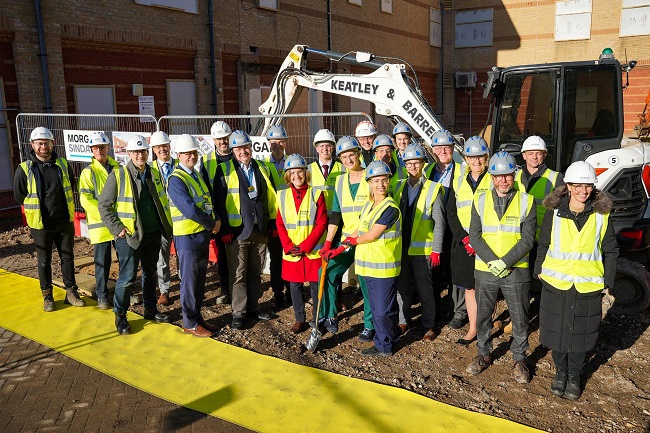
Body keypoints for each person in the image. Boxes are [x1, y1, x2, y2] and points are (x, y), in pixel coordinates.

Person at [535, 161, 618, 400]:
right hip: (556, 282)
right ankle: (561, 372)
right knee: (558, 331)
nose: (583, 191)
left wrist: (607, 279)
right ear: (568, 186)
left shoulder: (602, 215)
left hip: (587, 284)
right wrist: (539, 269)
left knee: (581, 334)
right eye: (578, 185)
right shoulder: (554, 212)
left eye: (588, 186)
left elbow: (611, 249)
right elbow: (544, 243)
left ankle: (575, 374)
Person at [466, 151, 536, 384]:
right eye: (498, 176)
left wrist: (505, 262)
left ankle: (519, 358)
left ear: (514, 175)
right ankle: (483, 354)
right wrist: (491, 261)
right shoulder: (480, 199)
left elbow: (528, 240)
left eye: (507, 175)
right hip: (486, 270)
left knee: (519, 317)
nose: (503, 180)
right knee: (484, 316)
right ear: (492, 177)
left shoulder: (527, 201)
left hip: (515, 271)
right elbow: (474, 236)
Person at [98, 134, 172, 335]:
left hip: (153, 233)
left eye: (143, 151)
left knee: (150, 273)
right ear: (129, 153)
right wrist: (117, 229)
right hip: (129, 236)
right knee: (127, 277)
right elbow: (104, 205)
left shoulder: (154, 173)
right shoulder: (119, 174)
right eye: (136, 152)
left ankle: (150, 309)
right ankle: (120, 316)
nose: (140, 155)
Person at [14, 126, 85, 311]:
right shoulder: (24, 169)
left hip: (63, 221)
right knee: (44, 261)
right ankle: (47, 297)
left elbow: (71, 184)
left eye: (46, 142)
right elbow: (19, 195)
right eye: (39, 143)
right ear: (32, 145)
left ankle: (71, 293)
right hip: (41, 224)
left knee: (67, 258)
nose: (43, 146)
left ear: (52, 143)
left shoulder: (62, 164)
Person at [336, 160, 402, 357]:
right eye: (376, 181)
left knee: (383, 311)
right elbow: (360, 228)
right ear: (369, 183)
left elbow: (372, 235)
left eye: (384, 180)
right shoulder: (369, 205)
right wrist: (341, 245)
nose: (381, 184)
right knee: (375, 309)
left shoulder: (390, 208)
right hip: (367, 267)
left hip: (383, 268)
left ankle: (390, 339)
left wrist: (353, 241)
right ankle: (382, 343)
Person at [213, 130, 276, 330]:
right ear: (232, 151)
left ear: (251, 148)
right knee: (238, 273)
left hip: (260, 229)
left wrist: (272, 223)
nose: (243, 151)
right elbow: (218, 203)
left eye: (245, 147)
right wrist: (224, 230)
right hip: (237, 231)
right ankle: (238, 313)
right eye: (238, 148)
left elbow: (271, 196)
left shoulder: (263, 167)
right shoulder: (224, 170)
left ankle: (253, 308)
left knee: (256, 271)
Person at [167, 135, 222, 338]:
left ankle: (197, 318)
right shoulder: (176, 180)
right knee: (189, 281)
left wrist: (214, 220)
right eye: (187, 153)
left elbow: (205, 202)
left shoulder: (195, 175)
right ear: (179, 155)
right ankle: (189, 322)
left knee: (199, 280)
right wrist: (212, 223)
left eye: (194, 152)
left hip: (200, 236)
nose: (191, 156)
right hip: (187, 238)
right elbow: (190, 210)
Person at [319, 136, 372, 338]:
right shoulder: (340, 180)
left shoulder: (370, 177)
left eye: (352, 155)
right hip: (345, 241)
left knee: (366, 283)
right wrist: (327, 243)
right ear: (340, 159)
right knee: (326, 272)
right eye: (344, 156)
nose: (349, 160)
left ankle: (369, 324)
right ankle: (330, 316)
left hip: (367, 241)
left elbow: (373, 215)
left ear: (358, 154)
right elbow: (336, 215)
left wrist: (349, 241)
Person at [392, 143, 444, 341]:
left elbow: (439, 222)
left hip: (423, 250)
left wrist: (436, 250)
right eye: (409, 163)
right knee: (402, 288)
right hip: (401, 247)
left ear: (423, 163)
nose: (413, 166)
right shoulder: (397, 186)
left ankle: (429, 325)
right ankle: (403, 320)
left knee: (425, 289)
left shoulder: (433, 188)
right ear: (405, 164)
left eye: (417, 162)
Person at [446, 136, 492, 342]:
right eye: (471, 157)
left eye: (480, 157)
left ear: (486, 157)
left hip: (488, 242)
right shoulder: (458, 182)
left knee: (488, 287)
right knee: (470, 287)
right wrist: (465, 239)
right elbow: (451, 213)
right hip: (465, 245)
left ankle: (486, 326)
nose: (476, 161)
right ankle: (473, 328)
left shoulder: (494, 179)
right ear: (465, 158)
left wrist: (479, 241)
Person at [276, 154, 328, 333]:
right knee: (294, 286)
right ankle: (300, 318)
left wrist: (306, 246)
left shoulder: (317, 193)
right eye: (292, 173)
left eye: (300, 172)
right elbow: (280, 223)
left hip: (312, 250)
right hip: (291, 250)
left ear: (306, 173)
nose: (296, 176)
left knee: (315, 286)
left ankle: (317, 318)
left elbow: (322, 223)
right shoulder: (281, 195)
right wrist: (288, 246)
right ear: (287, 176)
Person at [514, 135, 564, 304]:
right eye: (530, 153)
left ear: (544, 155)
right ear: (524, 155)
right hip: (518, 238)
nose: (534, 157)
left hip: (543, 239)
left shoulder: (555, 178)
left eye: (538, 153)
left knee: (541, 280)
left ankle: (543, 317)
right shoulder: (514, 177)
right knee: (520, 281)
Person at [425, 130, 465, 319]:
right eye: (438, 148)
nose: (442, 151)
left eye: (446, 148)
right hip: (432, 228)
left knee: (455, 270)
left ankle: (457, 310)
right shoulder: (427, 171)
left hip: (455, 228)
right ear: (433, 150)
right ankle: (437, 308)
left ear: (452, 149)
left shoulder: (462, 171)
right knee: (435, 271)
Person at [78, 132, 119, 310]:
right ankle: (102, 296)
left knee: (125, 260)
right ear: (91, 150)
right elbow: (85, 199)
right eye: (95, 148)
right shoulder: (88, 172)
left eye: (102, 147)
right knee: (102, 262)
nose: (99, 151)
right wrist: (106, 214)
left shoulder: (118, 168)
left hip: (119, 223)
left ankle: (125, 292)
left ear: (108, 148)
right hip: (101, 224)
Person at [262, 125, 291, 309]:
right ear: (268, 144)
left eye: (280, 141)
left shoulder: (292, 163)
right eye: (273, 142)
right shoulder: (263, 165)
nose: (277, 145)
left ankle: (292, 290)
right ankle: (278, 293)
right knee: (276, 259)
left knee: (290, 256)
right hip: (274, 221)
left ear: (285, 142)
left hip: (292, 220)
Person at [149, 130, 177, 307]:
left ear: (169, 146)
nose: (162, 150)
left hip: (181, 219)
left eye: (164, 146)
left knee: (183, 256)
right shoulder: (150, 169)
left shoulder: (179, 164)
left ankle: (186, 285)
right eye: (158, 147)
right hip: (161, 221)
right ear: (153, 149)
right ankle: (164, 290)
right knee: (162, 257)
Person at [307, 129, 344, 214]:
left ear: (333, 148)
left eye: (328, 146)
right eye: (321, 146)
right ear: (316, 148)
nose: (325, 149)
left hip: (336, 215)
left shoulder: (343, 169)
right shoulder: (308, 170)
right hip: (316, 216)